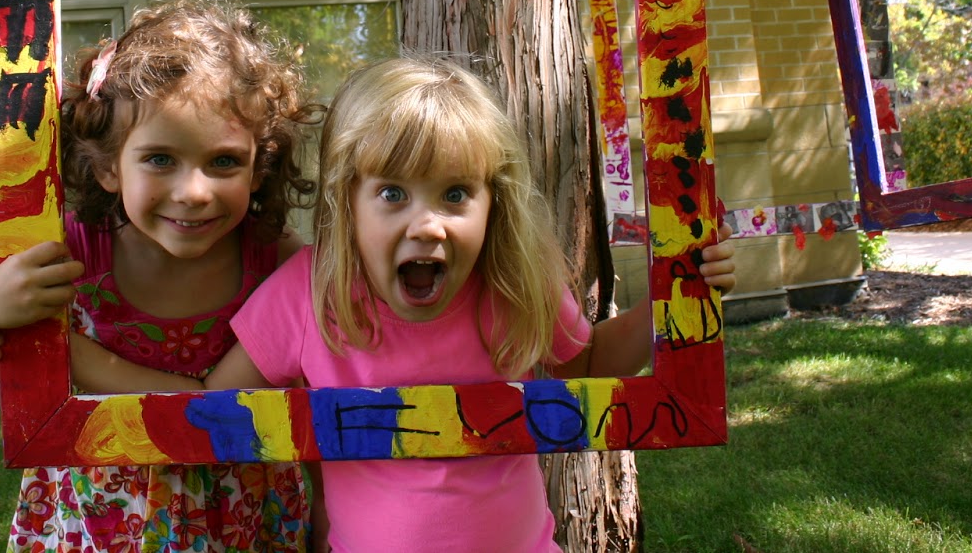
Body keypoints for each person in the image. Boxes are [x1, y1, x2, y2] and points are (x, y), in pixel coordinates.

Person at [70, 56, 736, 553]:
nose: (428, 225)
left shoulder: (512, 286)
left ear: (493, 202)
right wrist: (61, 353)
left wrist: (676, 300)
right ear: (347, 201)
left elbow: (587, 366)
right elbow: (206, 409)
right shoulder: (308, 294)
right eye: (392, 194)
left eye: (456, 195)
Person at [0, 0, 320, 553]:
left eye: (224, 161)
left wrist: (62, 352)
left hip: (240, 515)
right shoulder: (72, 253)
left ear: (258, 167)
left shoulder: (275, 263)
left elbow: (209, 407)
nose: (193, 192)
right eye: (160, 159)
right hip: (99, 517)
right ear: (108, 168)